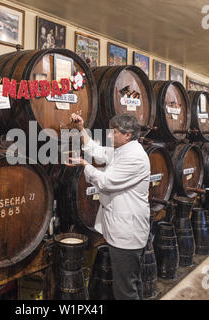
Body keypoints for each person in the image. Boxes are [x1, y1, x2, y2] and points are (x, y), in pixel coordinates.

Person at [66, 113, 151, 300]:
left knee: (125, 290)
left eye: (114, 131)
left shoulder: (135, 157)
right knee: (131, 281)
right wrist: (81, 129)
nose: (110, 135)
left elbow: (107, 182)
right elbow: (98, 151)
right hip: (120, 229)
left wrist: (84, 165)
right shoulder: (122, 149)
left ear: (128, 134)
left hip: (127, 233)